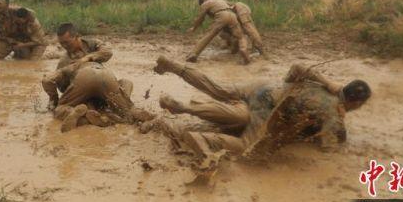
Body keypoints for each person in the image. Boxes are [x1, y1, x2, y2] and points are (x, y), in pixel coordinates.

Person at [151, 55, 371, 160]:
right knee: (246, 146)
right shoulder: (333, 113)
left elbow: (296, 67)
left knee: (218, 89)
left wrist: (327, 82)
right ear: (356, 103)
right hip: (266, 106)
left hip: (262, 86)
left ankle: (177, 68)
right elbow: (327, 150)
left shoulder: (325, 85)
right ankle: (201, 136)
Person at [41, 23, 153, 132]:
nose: (64, 46)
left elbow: (51, 82)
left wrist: (55, 100)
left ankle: (83, 117)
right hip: (105, 76)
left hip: (85, 80)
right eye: (61, 44)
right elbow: (107, 52)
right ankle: (134, 115)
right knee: (126, 111)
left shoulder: (87, 47)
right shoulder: (89, 46)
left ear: (77, 36)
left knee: (60, 109)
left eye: (67, 43)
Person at [186, 0, 250, 64]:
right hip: (232, 15)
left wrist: (194, 28)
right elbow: (233, 5)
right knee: (240, 37)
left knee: (209, 35)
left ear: (202, 2)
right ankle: (244, 51)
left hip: (221, 15)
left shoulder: (206, 4)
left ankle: (194, 54)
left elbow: (200, 18)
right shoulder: (220, 0)